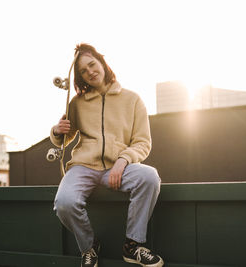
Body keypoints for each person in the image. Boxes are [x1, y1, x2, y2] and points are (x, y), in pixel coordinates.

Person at [50, 43, 164, 267]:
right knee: (64, 203)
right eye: (83, 71)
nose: (90, 72)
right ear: (80, 77)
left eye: (92, 64)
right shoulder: (77, 103)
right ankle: (89, 247)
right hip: (83, 167)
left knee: (149, 177)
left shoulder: (133, 99)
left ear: (102, 63)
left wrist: (123, 160)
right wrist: (56, 131)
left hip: (118, 167)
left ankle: (134, 245)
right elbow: (66, 137)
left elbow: (143, 142)